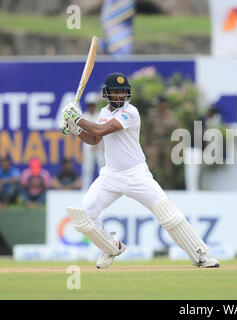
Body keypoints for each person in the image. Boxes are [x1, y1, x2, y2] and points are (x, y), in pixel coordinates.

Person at [59, 72, 219, 269]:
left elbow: (101, 130)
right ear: (106, 94)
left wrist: (77, 119)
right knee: (85, 214)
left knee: (168, 214)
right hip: (110, 175)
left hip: (136, 174)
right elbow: (94, 139)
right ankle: (111, 247)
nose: (119, 96)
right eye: (115, 92)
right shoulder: (103, 113)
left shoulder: (131, 112)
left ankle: (201, 255)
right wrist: (75, 129)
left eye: (122, 92)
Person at [143, 95, 179, 189]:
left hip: (167, 143)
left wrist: (179, 147)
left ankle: (167, 187)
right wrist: (145, 145)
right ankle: (150, 186)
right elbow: (146, 131)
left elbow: (178, 132)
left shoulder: (172, 116)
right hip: (154, 143)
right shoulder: (152, 115)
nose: (159, 106)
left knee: (167, 168)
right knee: (151, 166)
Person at [81, 93, 105, 191]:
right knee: (87, 170)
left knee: (102, 168)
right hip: (88, 147)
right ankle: (84, 191)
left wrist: (97, 142)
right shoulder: (84, 116)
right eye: (90, 105)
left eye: (93, 105)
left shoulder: (100, 115)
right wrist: (91, 141)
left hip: (99, 146)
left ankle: (104, 189)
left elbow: (102, 130)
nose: (92, 107)